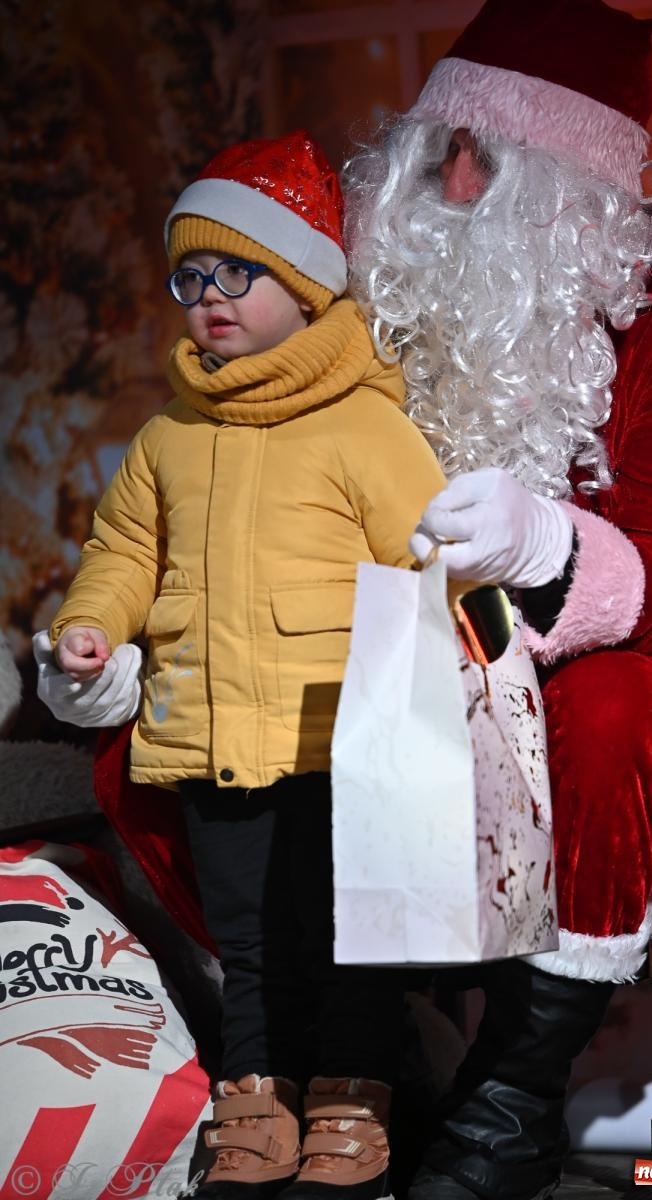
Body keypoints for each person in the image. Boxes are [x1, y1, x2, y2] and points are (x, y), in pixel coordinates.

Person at [341, 0, 652, 1197]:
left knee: (614, 707)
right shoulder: (365, 283)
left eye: (485, 158)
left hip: (612, 657)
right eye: (435, 149)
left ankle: (511, 1097)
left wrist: (544, 545)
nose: (448, 185)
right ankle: (350, 1059)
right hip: (391, 632)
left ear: (571, 179)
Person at [38, 130, 446, 1200]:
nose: (210, 298)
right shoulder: (168, 437)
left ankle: (353, 1105)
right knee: (251, 943)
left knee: (351, 935)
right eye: (192, 277)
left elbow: (430, 559)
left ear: (304, 286)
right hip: (211, 734)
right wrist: (92, 624)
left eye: (238, 273)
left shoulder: (363, 425)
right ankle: (257, 1107)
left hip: (339, 741)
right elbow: (123, 553)